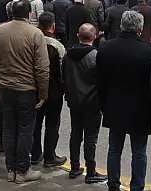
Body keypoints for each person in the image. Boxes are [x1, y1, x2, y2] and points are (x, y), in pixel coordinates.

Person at [0, 0, 49, 183]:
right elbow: (42, 67)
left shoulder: (0, 31)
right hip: (26, 88)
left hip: (5, 86)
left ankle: (11, 168)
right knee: (25, 129)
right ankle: (23, 169)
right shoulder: (35, 34)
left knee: (8, 128)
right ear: (29, 14)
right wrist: (43, 93)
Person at [97, 11, 151, 191]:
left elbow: (100, 81)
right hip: (140, 108)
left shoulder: (106, 48)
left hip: (114, 105)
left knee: (114, 148)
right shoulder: (147, 52)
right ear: (140, 29)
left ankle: (113, 183)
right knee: (139, 151)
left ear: (121, 25)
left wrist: (102, 105)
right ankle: (137, 185)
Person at [61, 23, 108, 184]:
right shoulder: (96, 56)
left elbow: (63, 76)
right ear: (94, 37)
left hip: (74, 100)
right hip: (92, 102)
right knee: (90, 137)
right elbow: (102, 81)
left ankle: (75, 166)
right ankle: (91, 171)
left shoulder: (68, 55)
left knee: (75, 134)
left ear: (78, 36)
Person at [31, 12, 67, 168]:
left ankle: (35, 153)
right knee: (52, 123)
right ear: (52, 26)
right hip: (54, 91)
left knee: (35, 123)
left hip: (34, 89)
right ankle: (49, 155)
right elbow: (62, 70)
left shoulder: (32, 40)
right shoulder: (56, 45)